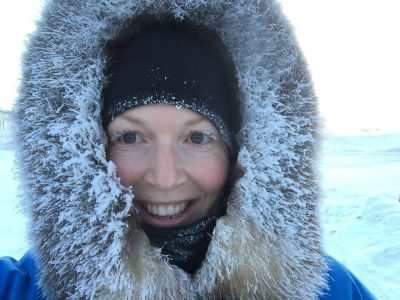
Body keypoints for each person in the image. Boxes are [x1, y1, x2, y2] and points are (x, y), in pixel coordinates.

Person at [0, 0, 376, 299]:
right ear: (83, 150)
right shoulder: (20, 288)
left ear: (242, 153)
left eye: (197, 138)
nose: (164, 178)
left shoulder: (330, 291)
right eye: (130, 137)